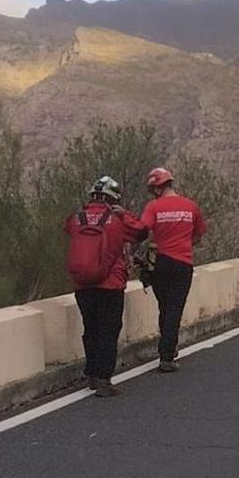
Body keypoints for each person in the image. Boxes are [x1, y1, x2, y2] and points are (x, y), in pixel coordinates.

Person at [63, 176, 146, 397]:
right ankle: (103, 379)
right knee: (108, 331)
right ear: (113, 198)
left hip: (83, 284)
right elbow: (141, 231)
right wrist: (123, 213)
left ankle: (90, 372)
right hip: (111, 283)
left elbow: (67, 229)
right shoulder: (117, 219)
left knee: (90, 328)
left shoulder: (76, 218)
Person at [139, 166, 204, 372]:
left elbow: (142, 231)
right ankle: (167, 354)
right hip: (183, 262)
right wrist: (182, 244)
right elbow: (198, 236)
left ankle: (166, 347)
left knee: (165, 305)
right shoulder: (191, 206)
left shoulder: (153, 207)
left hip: (159, 262)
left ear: (157, 188)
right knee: (175, 307)